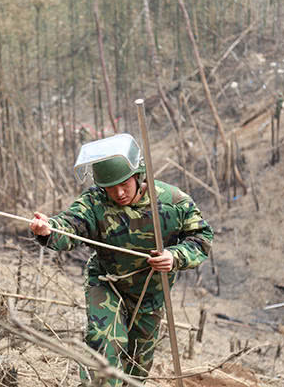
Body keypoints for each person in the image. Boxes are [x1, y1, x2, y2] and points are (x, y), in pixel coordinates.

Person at [30, 135, 213, 386]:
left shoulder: (173, 202)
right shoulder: (95, 202)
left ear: (138, 176)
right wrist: (48, 230)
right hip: (107, 283)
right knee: (105, 347)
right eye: (109, 187)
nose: (118, 193)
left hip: (151, 293)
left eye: (124, 184)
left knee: (136, 368)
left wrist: (175, 256)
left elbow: (201, 237)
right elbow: (69, 227)